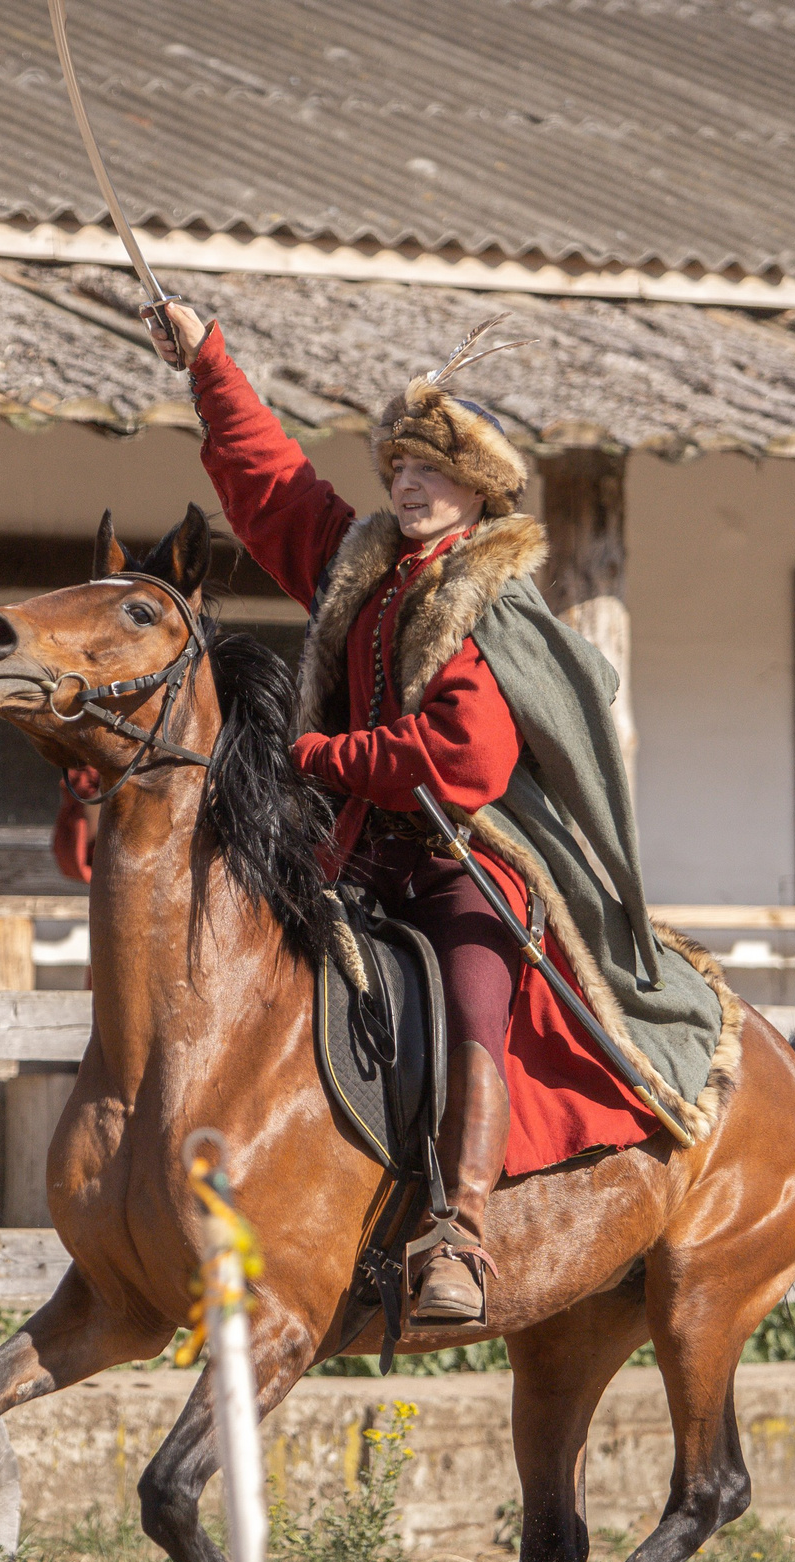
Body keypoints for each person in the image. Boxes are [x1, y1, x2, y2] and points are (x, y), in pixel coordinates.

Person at [143, 300, 674, 1327]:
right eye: (397, 469)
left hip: (460, 865)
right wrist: (207, 359)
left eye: (428, 471)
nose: (406, 485)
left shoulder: (493, 604)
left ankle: (457, 1238)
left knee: (473, 1010)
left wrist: (316, 755)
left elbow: (464, 760)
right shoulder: (362, 569)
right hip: (351, 854)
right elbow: (271, 482)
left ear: (476, 491)